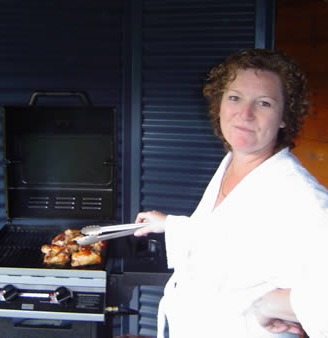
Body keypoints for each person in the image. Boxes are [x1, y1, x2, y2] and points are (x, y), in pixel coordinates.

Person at [134, 49, 328, 338]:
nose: (245, 114)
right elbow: (232, 239)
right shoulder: (234, 165)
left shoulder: (302, 197)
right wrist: (170, 224)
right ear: (220, 104)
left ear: (284, 117)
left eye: (263, 103)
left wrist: (275, 304)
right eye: (235, 98)